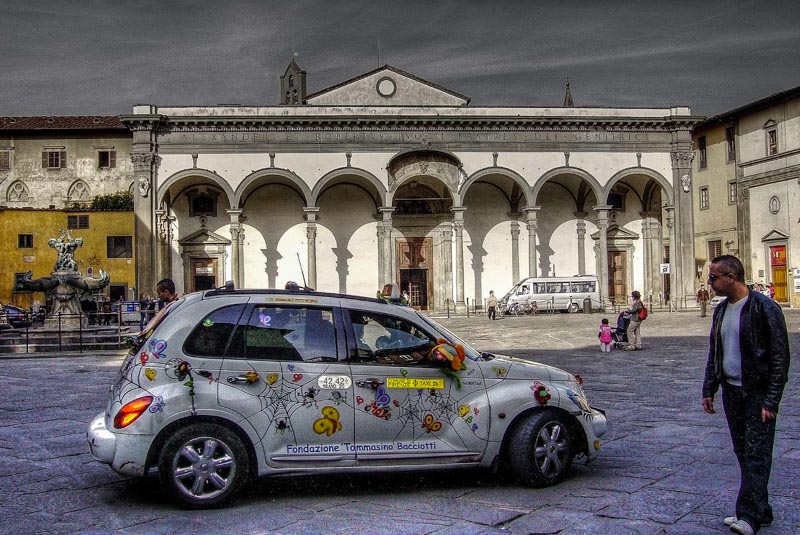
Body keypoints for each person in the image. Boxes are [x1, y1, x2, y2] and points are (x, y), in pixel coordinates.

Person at [701, 255, 789, 535]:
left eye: (714, 277)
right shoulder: (721, 310)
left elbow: (779, 358)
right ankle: (761, 509)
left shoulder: (765, 308)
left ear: (731, 277)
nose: (710, 282)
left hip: (757, 394)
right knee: (743, 452)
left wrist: (771, 400)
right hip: (732, 392)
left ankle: (749, 517)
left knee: (757, 454)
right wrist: (709, 388)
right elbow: (716, 352)